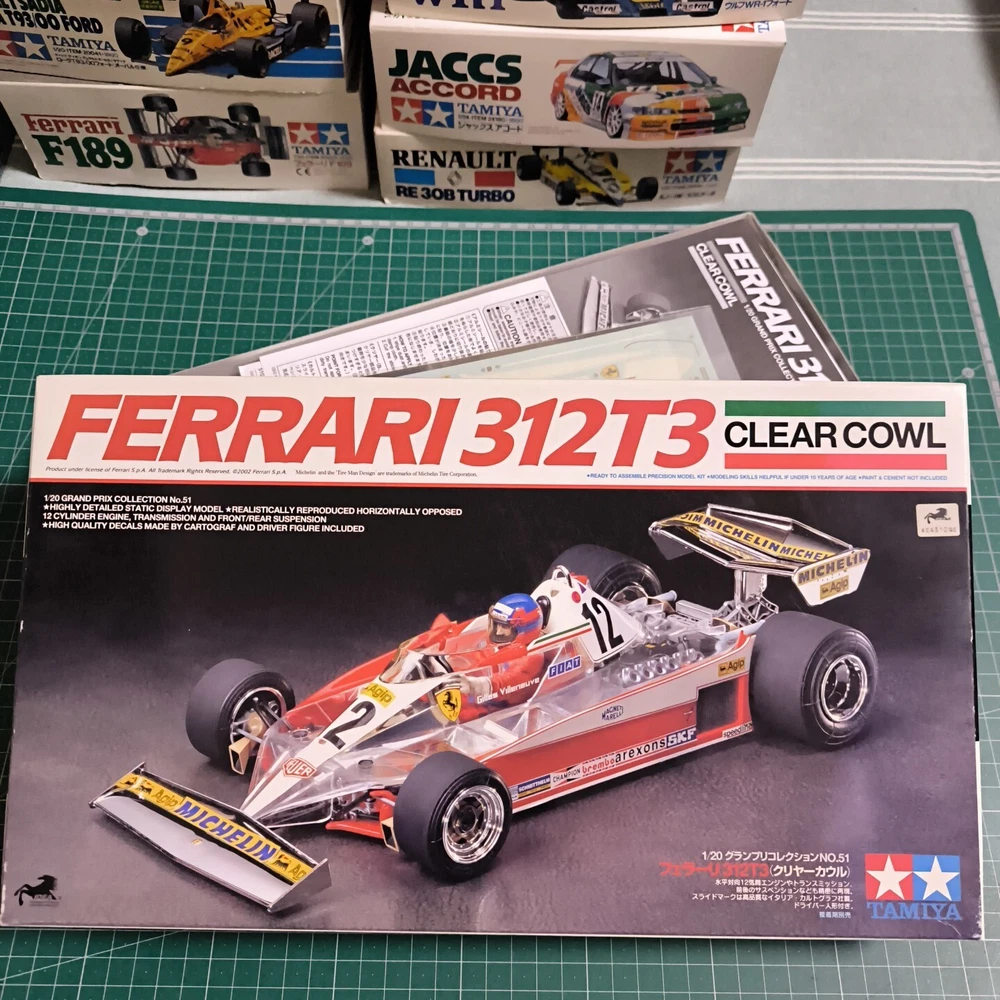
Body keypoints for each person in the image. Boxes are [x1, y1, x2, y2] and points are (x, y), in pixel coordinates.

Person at [458, 593, 547, 717]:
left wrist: (476, 685)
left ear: (524, 629)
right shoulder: (501, 643)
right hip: (485, 694)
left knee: (461, 713)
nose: (498, 631)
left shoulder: (533, 657)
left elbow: (509, 680)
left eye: (504, 626)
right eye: (497, 624)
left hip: (504, 705)